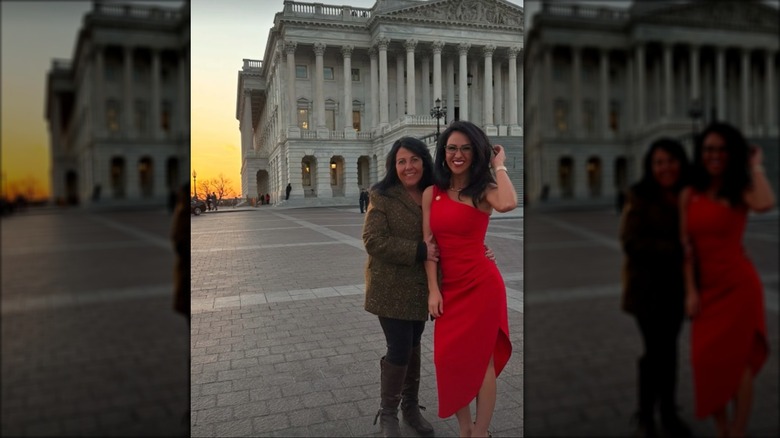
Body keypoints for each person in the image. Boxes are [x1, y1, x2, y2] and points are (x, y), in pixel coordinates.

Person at [363, 136, 497, 437]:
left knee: (412, 348)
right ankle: (388, 415)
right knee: (398, 349)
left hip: (423, 289)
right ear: (393, 166)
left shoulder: (434, 192)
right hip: (391, 287)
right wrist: (419, 251)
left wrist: (480, 248)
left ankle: (410, 408)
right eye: (401, 161)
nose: (408, 167)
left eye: (413, 160)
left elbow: (453, 229)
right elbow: (373, 241)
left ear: (425, 162)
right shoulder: (383, 194)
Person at [423, 120, 516, 437]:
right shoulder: (431, 193)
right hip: (449, 290)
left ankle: (480, 431)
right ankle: (465, 428)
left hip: (482, 286)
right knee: (447, 359)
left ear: (475, 153)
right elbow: (429, 247)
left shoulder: (484, 191)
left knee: (482, 362)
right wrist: (433, 290)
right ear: (443, 151)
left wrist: (499, 165)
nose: (457, 154)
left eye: (465, 148)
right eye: (451, 148)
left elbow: (508, 203)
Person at [681, 122, 774, 437]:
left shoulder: (739, 192)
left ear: (730, 153)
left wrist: (755, 165)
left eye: (721, 149)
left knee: (739, 365)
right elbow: (686, 249)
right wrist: (690, 291)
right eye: (709, 149)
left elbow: (765, 203)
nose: (715, 155)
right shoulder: (689, 193)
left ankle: (737, 431)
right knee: (705, 363)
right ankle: (723, 430)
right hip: (707, 291)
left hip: (739, 287)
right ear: (701, 153)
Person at [619, 138, 692, 438]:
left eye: (671, 161)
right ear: (652, 166)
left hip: (676, 289)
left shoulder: (687, 194)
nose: (666, 167)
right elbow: (631, 241)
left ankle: (668, 411)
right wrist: (675, 248)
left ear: (680, 163)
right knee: (654, 353)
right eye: (660, 162)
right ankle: (649, 414)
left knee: (669, 352)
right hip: (647, 290)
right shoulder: (640, 195)